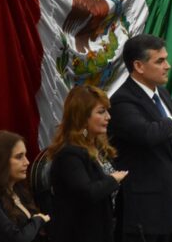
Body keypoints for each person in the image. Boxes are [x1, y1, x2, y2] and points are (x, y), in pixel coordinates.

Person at [109, 34, 172, 242]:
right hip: (143, 211)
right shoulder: (122, 101)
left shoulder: (161, 94)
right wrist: (171, 123)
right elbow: (146, 134)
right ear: (139, 66)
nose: (168, 66)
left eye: (166, 59)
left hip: (168, 205)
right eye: (160, 61)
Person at [46, 85, 128, 242]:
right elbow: (86, 193)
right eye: (101, 112)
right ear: (82, 117)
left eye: (107, 111)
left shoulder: (99, 148)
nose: (108, 117)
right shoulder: (69, 154)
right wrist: (113, 180)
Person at [0, 130, 50, 242]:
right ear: (0, 161)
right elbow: (16, 239)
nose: (27, 162)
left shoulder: (19, 190)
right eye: (19, 157)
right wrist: (38, 220)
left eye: (25, 155)